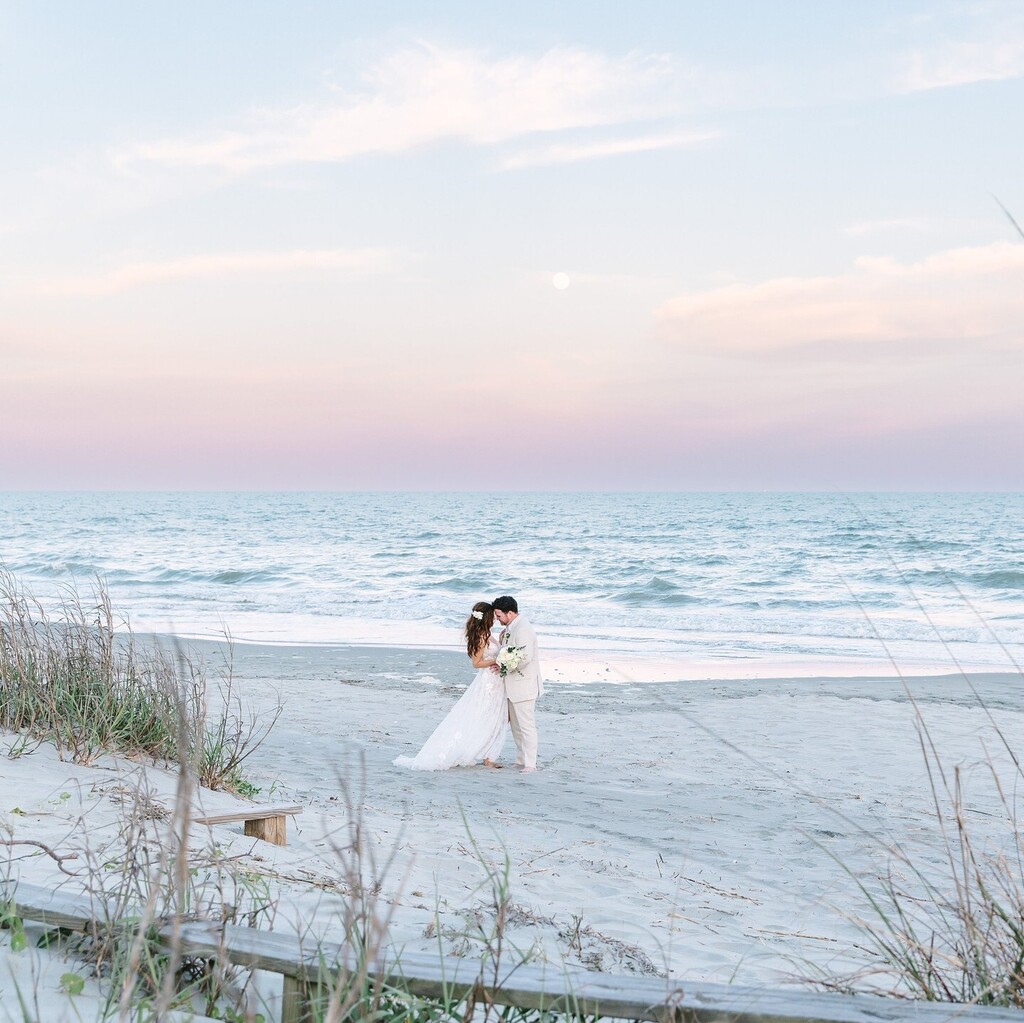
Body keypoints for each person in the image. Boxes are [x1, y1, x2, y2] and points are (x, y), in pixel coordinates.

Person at [394, 602, 508, 771]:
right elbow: (476, 663)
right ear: (486, 617)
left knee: (495, 718)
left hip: (496, 681)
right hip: (488, 683)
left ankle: (487, 755)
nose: (494, 619)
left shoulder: (488, 634)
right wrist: (497, 660)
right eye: (492, 615)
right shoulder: (481, 636)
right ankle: (487, 757)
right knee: (486, 717)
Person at [491, 595, 543, 773]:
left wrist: (503, 665)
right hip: (511, 685)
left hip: (523, 684)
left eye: (499, 616)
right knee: (516, 726)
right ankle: (521, 759)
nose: (497, 619)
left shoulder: (523, 629)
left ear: (510, 613)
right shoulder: (510, 628)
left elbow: (525, 657)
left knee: (526, 725)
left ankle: (530, 763)